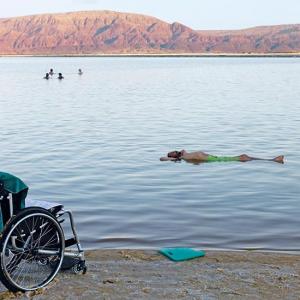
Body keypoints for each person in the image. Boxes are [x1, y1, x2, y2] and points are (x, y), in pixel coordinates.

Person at [160, 150, 284, 164]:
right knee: (242, 157)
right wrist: (174, 157)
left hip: (209, 158)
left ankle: (273, 160)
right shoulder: (182, 157)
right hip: (209, 157)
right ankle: (273, 160)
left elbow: (162, 159)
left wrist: (176, 157)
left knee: (241, 158)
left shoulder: (183, 156)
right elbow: (163, 158)